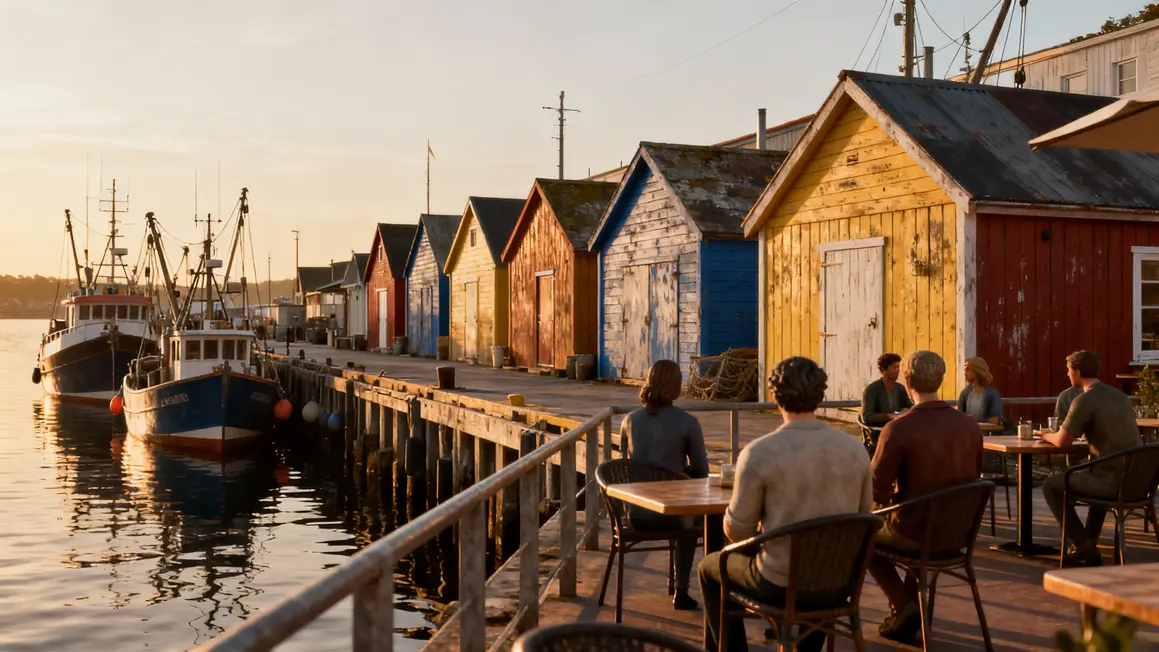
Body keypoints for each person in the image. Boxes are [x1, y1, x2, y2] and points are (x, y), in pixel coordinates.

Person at [698, 357, 872, 652]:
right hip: (838, 584)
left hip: (779, 584)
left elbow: (738, 532)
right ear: (820, 396)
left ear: (775, 396)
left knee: (709, 567)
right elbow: (864, 517)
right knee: (817, 569)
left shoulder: (759, 453)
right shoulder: (855, 450)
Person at [869, 350, 984, 644]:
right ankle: (909, 611)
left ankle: (901, 604)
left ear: (907, 382)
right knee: (919, 522)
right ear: (941, 379)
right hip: (958, 535)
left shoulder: (898, 429)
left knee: (862, 534)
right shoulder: (970, 425)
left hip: (916, 533)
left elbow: (877, 491)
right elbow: (974, 477)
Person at [621, 359, 708, 611]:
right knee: (693, 524)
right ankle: (682, 590)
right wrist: (681, 473)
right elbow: (702, 472)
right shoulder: (687, 423)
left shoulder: (629, 420)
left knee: (685, 518)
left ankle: (677, 584)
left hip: (635, 515)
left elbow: (626, 468)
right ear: (676, 386)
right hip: (672, 517)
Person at [1042, 350, 1142, 566]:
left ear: (1077, 372)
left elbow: (1062, 441)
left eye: (1069, 370)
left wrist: (1045, 435)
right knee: (1091, 470)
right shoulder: (1121, 398)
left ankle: (1081, 543)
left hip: (1111, 482)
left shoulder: (1083, 400)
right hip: (1138, 481)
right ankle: (1088, 543)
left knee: (1051, 485)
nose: (1068, 375)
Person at [861, 353, 913, 426]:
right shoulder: (871, 390)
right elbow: (867, 417)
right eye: (894, 367)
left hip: (899, 428)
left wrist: (907, 410)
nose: (898, 371)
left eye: (898, 367)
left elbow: (909, 406)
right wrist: (889, 416)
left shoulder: (900, 388)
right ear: (883, 369)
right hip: (878, 431)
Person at [958, 357, 1003, 425]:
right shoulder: (964, 394)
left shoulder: (992, 394)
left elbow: (995, 420)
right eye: (964, 370)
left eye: (968, 369)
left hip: (988, 433)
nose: (965, 373)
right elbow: (959, 417)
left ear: (977, 370)